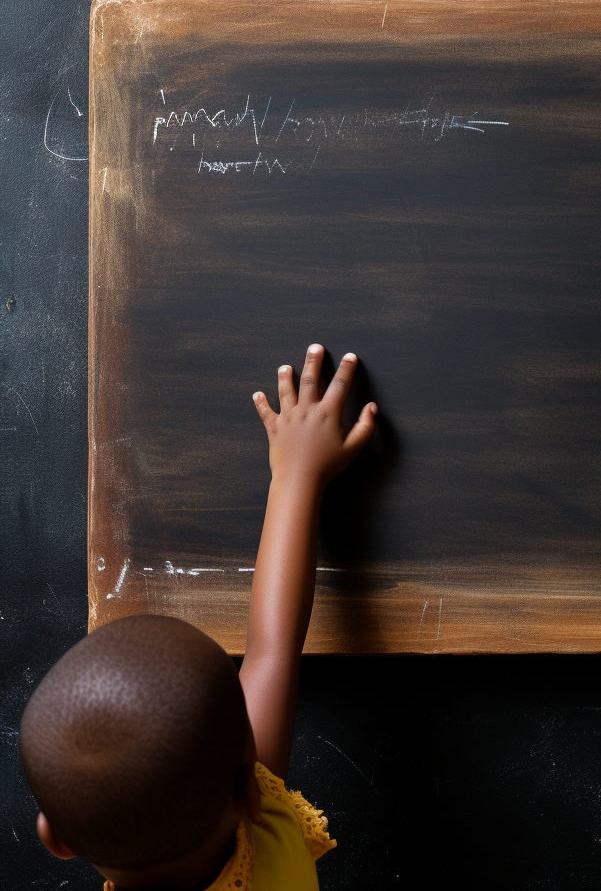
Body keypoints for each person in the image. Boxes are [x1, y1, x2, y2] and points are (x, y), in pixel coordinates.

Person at [20, 344, 376, 890]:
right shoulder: (265, 840)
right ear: (251, 795)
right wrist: (297, 474)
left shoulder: (245, 809)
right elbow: (271, 649)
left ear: (55, 839)